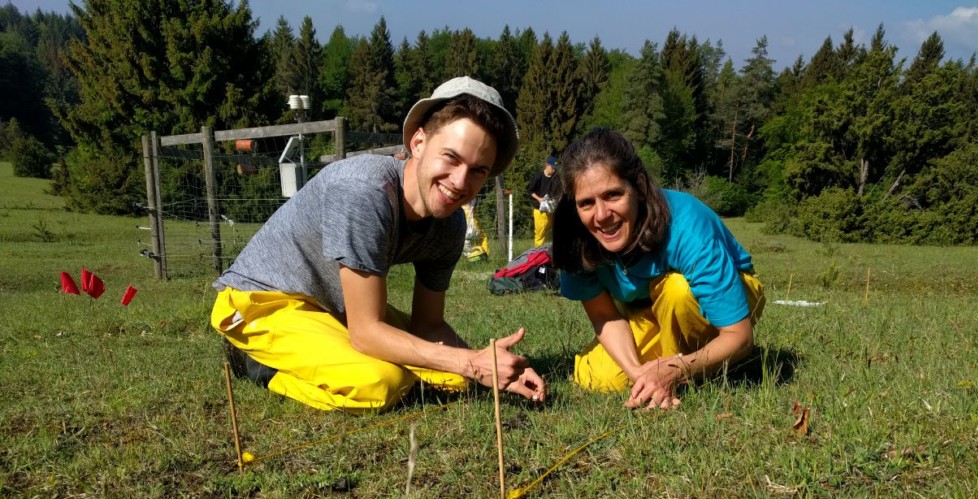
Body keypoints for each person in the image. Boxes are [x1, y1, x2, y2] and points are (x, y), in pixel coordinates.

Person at [211, 77, 546, 411]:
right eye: (451, 158)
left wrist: (493, 368)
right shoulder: (364, 192)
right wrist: (470, 362)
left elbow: (429, 324)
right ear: (418, 142)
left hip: (332, 307)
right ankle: (256, 364)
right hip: (261, 302)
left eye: (477, 170)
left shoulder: (450, 224)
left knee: (455, 379)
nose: (460, 182)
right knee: (380, 383)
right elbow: (367, 332)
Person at [552, 128, 765, 411]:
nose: (602, 216)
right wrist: (637, 374)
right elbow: (604, 315)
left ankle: (705, 365)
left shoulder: (686, 223)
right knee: (599, 378)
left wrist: (674, 371)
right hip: (647, 310)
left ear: (638, 188)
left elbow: (739, 335)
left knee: (677, 290)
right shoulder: (575, 238)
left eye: (613, 195)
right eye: (587, 203)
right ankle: (687, 366)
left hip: (728, 303)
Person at [527, 156, 558, 246]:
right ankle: (538, 254)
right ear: (547, 166)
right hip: (539, 210)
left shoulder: (555, 178)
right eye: (553, 168)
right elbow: (530, 191)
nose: (554, 170)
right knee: (540, 234)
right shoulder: (538, 176)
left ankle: (551, 253)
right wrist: (540, 199)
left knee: (552, 234)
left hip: (551, 210)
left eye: (555, 168)